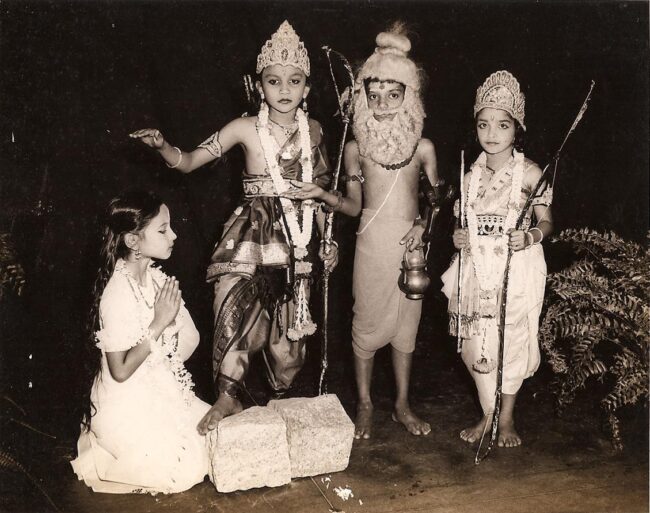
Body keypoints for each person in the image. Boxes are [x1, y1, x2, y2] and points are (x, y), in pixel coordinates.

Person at [130, 21, 336, 435]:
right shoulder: (244, 127)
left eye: (294, 81)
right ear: (259, 86)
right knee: (231, 305)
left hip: (297, 241)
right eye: (273, 81)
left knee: (289, 339)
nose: (283, 89)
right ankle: (227, 393)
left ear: (307, 89)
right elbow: (188, 161)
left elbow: (321, 192)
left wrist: (329, 245)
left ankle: (281, 395)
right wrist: (162, 148)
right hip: (249, 235)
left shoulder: (313, 131)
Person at [285, 23, 437, 439]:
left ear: (410, 95)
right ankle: (366, 404)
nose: (384, 104)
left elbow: (437, 200)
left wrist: (423, 225)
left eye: (394, 94)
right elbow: (352, 206)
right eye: (374, 96)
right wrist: (323, 194)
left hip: (411, 252)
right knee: (366, 327)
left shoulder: (423, 148)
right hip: (371, 244)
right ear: (362, 98)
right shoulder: (355, 149)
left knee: (407, 328)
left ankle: (402, 404)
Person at [441, 70, 553, 448]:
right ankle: (486, 411)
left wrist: (529, 237)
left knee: (512, 338)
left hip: (516, 266)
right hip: (475, 269)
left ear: (516, 128)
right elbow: (464, 224)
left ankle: (505, 418)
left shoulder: (531, 173)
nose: (492, 133)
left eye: (502, 125)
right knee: (475, 342)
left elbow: (547, 222)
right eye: (484, 124)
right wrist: (458, 238)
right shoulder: (468, 176)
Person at [71, 190, 210, 494]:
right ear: (133, 240)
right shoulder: (117, 293)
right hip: (124, 406)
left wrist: (167, 346)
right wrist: (159, 324)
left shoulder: (158, 279)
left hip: (160, 392)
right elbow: (119, 371)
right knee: (182, 470)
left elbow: (191, 339)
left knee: (218, 438)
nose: (173, 235)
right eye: (162, 230)